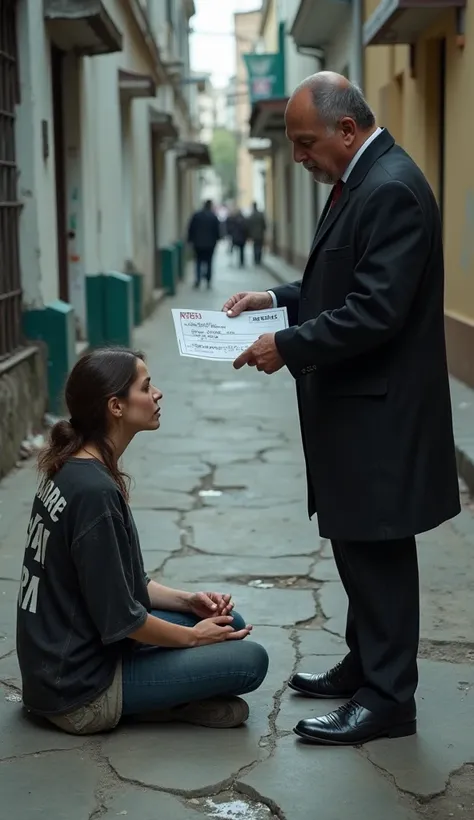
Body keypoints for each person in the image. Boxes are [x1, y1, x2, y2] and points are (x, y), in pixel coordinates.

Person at [222, 72, 460, 746]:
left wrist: (288, 345)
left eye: (305, 143)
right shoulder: (363, 180)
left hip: (377, 414)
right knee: (356, 544)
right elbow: (337, 277)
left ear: (346, 129)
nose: (299, 156)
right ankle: (367, 665)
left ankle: (388, 698)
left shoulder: (391, 188)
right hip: (356, 410)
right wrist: (273, 300)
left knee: (378, 549)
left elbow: (376, 310)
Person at [16, 347, 269, 735]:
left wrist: (188, 601)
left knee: (228, 622)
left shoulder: (73, 467)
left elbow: (124, 583)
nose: (157, 394)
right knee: (249, 661)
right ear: (116, 406)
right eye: (146, 386)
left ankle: (170, 697)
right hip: (78, 693)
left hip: (63, 664)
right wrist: (192, 639)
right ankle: (161, 705)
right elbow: (123, 619)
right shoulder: (94, 493)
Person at [187, 200, 221, 289]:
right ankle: (208, 281)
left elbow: (191, 229)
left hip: (198, 244)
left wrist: (190, 240)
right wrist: (217, 240)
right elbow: (218, 231)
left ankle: (198, 280)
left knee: (198, 261)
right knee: (209, 262)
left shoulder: (196, 216)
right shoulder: (213, 217)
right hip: (210, 244)